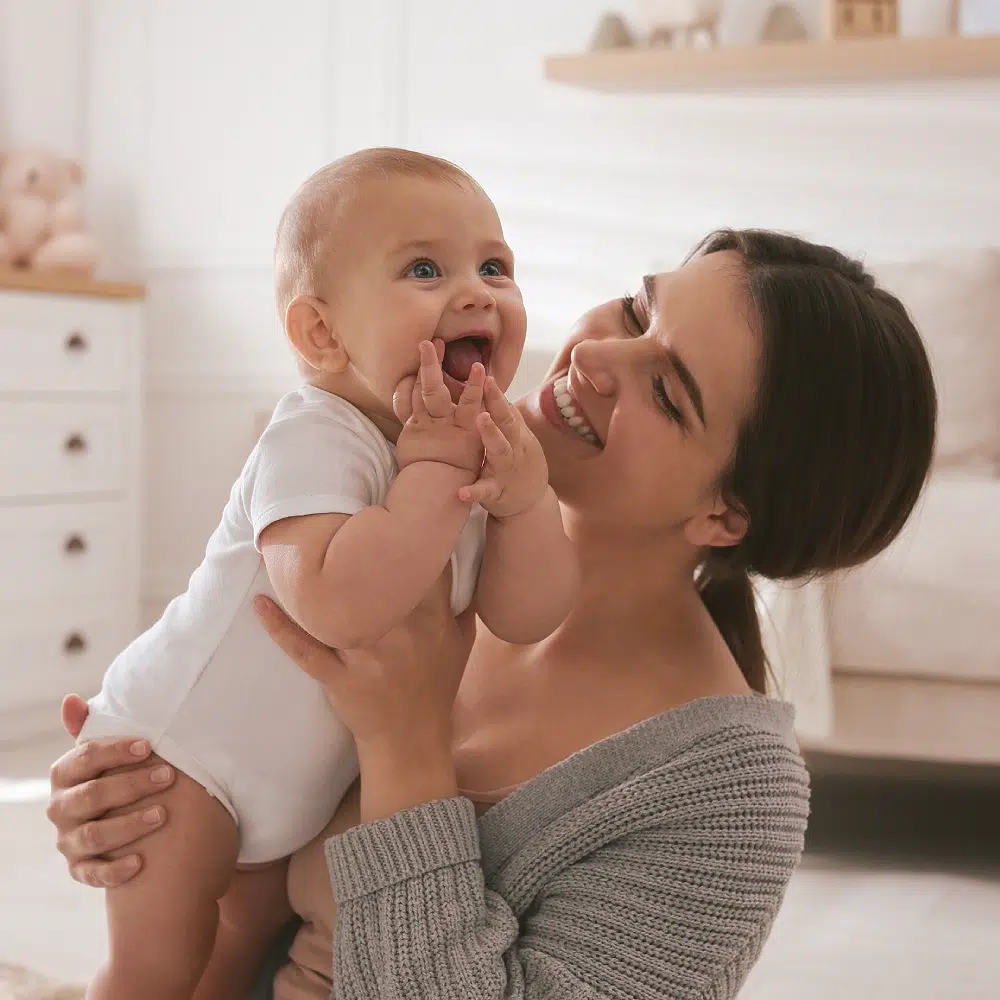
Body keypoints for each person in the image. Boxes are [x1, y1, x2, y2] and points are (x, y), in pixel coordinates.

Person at [48, 229, 937, 1000]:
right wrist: (140, 801)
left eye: (667, 391)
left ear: (724, 517)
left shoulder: (725, 796)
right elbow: (237, 828)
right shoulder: (413, 527)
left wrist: (405, 747)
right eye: (636, 310)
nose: (594, 357)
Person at [71, 149, 576, 1000]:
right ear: (321, 334)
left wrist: (524, 504)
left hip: (288, 794)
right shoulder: (316, 434)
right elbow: (337, 604)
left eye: (496, 266)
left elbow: (528, 615)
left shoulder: (465, 443)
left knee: (233, 962)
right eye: (425, 268)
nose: (478, 290)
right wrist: (432, 473)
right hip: (178, 758)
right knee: (157, 971)